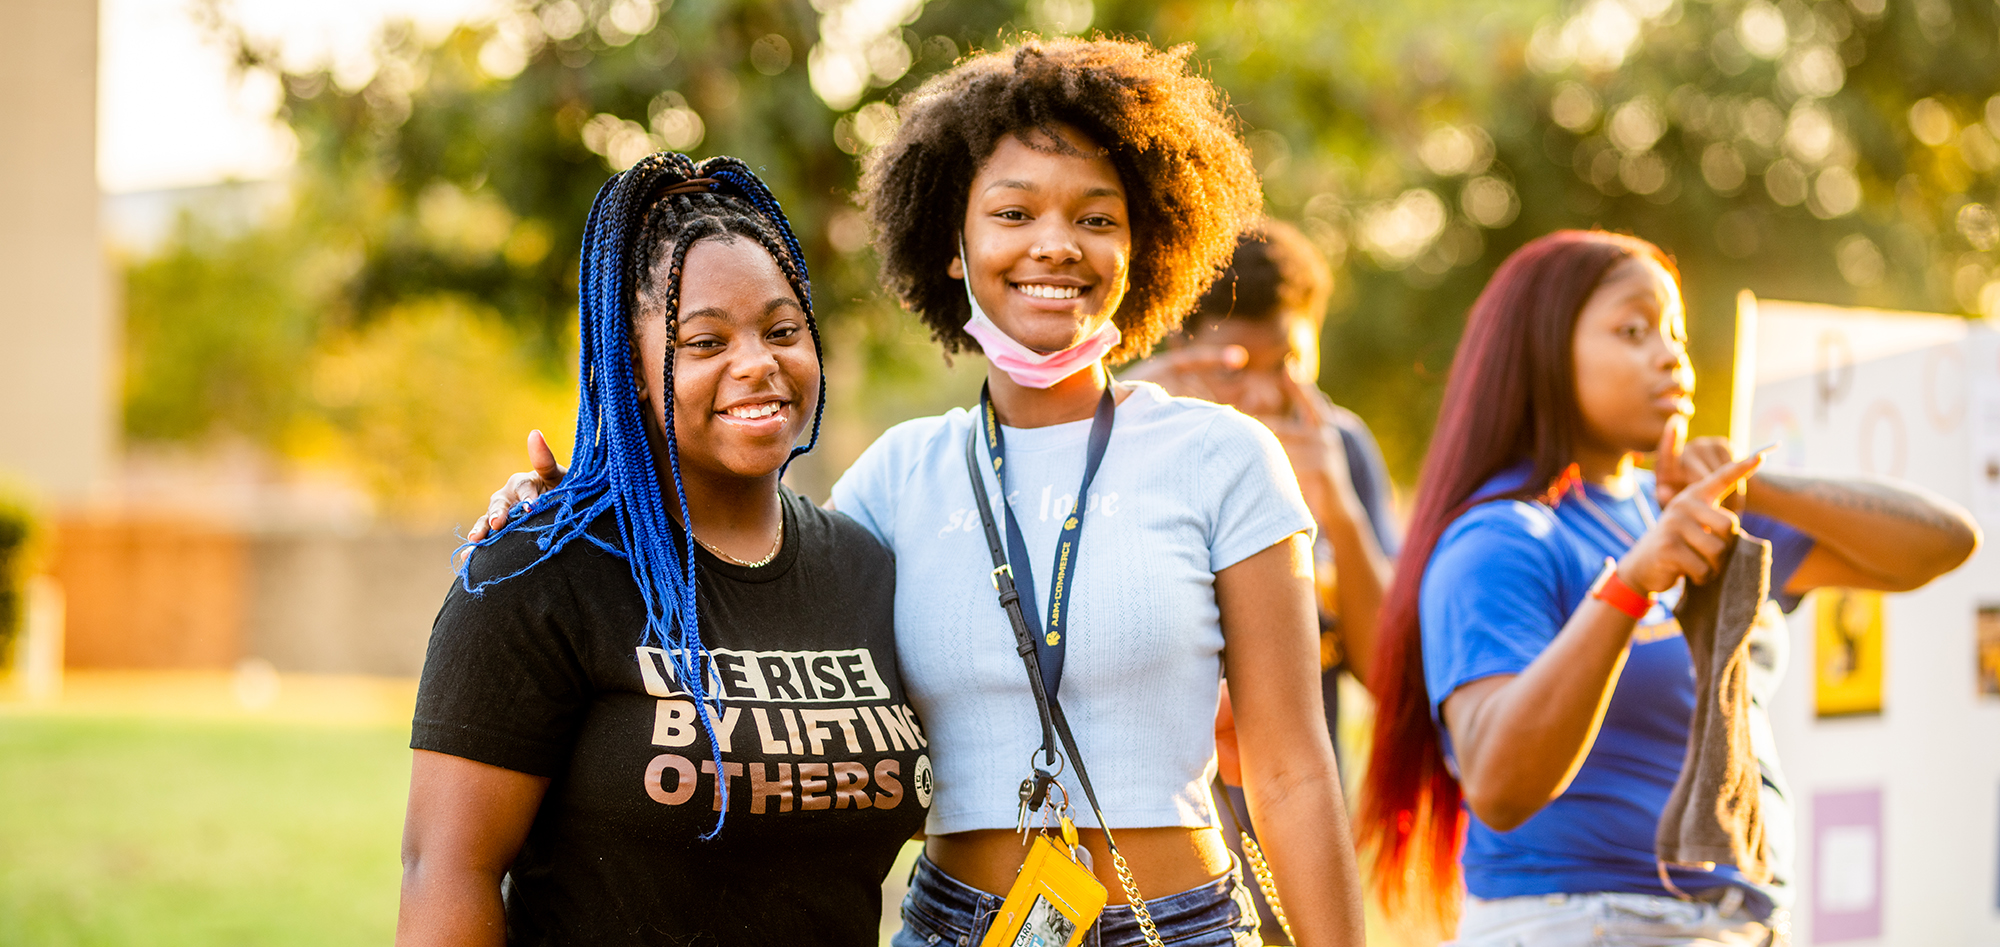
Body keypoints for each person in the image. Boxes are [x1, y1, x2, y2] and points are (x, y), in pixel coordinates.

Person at [471, 37, 1366, 947]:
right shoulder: (895, 481)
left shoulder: (1226, 459)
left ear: (1143, 247)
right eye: (1013, 212)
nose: (1055, 244)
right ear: (954, 244)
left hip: (1177, 925)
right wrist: (572, 509)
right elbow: (726, 573)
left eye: (1098, 219)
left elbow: (1293, 772)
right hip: (956, 927)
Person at [1355, 230, 1980, 946]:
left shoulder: (1683, 513)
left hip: (1732, 925)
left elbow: (1941, 544)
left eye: (1675, 332)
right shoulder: (1504, 540)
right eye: (1633, 330)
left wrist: (1756, 481)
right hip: (1586, 920)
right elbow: (1496, 782)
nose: (1670, 355)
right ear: (1542, 351)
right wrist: (1628, 586)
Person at [398, 155, 929, 947]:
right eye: (704, 340)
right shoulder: (540, 573)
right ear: (635, 370)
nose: (758, 363)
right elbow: (444, 870)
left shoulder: (866, 567)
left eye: (783, 331)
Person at [1125, 219, 1398, 946]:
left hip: (1290, 862)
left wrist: (1338, 507)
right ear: (1181, 352)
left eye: (1288, 363)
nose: (1264, 393)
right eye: (1234, 367)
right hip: (1161, 880)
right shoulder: (1138, 451)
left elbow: (1387, 672)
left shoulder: (1339, 446)